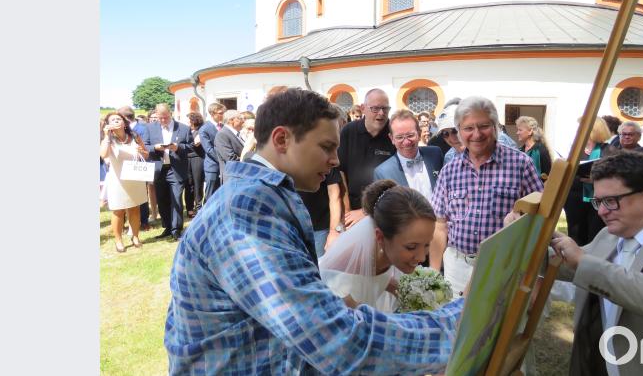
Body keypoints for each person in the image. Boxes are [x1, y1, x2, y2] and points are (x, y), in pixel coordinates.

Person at [164, 88, 465, 375]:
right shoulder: (246, 208)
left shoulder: (261, 198)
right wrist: (458, 322)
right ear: (282, 139)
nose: (335, 160)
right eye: (327, 147)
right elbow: (334, 339)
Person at [550, 151, 643, 375]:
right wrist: (533, 236)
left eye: (611, 201)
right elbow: (568, 261)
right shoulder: (609, 235)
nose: (602, 211)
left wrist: (583, 261)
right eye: (598, 201)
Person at [430, 96, 543, 298]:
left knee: (501, 328)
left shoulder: (521, 164)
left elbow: (541, 219)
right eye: (468, 128)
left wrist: (535, 275)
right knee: (457, 327)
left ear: (495, 126)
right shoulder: (449, 171)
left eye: (483, 126)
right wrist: (433, 273)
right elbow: (440, 226)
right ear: (459, 130)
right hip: (458, 267)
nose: (476, 134)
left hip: (505, 267)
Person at [320, 179, 435, 312]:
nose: (422, 257)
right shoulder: (344, 279)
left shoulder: (384, 252)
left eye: (427, 244)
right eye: (411, 247)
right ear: (380, 237)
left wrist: (416, 297)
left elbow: (380, 279)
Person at [337, 88, 396, 228]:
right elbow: (340, 173)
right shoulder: (348, 131)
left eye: (385, 109)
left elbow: (396, 180)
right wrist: (347, 212)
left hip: (384, 211)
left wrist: (366, 211)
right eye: (375, 109)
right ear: (363, 108)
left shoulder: (393, 134)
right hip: (352, 212)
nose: (381, 113)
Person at [100, 112, 149, 252]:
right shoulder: (108, 139)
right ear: (108, 124)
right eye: (113, 119)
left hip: (135, 177)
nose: (117, 121)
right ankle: (118, 240)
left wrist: (142, 151)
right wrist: (107, 135)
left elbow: (146, 154)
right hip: (118, 180)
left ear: (124, 121)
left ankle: (135, 236)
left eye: (119, 118)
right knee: (118, 211)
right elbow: (103, 154)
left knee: (135, 208)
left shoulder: (134, 136)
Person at [143, 103, 193, 240]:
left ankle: (176, 229)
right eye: (160, 118)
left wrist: (178, 147)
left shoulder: (183, 128)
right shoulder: (149, 128)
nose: (163, 120)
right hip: (159, 169)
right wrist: (155, 148)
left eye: (165, 117)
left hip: (176, 169)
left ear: (170, 114)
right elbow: (145, 146)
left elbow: (191, 146)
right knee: (162, 200)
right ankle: (168, 227)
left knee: (176, 198)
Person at [563, 117, 613, 247]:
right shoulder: (576, 149)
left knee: (595, 234)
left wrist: (596, 179)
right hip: (575, 199)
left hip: (597, 201)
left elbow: (616, 176)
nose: (579, 131)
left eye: (582, 127)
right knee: (575, 235)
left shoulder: (608, 150)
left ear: (594, 130)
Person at [373, 109, 443, 200]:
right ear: (392, 139)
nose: (406, 142)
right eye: (399, 137)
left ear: (419, 133)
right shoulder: (382, 172)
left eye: (410, 135)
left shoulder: (435, 154)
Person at [198, 102, 226, 203]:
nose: (223, 115)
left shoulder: (224, 126)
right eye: (220, 113)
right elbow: (209, 149)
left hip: (225, 167)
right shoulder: (204, 129)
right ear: (212, 113)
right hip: (213, 166)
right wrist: (222, 159)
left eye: (223, 112)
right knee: (210, 195)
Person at [515, 115, 553, 181]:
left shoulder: (541, 151)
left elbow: (548, 176)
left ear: (530, 131)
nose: (517, 133)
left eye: (520, 130)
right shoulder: (520, 150)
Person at [184, 112, 206, 218]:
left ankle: (198, 206)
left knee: (197, 182)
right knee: (188, 184)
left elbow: (196, 144)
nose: (186, 122)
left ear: (194, 120)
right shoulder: (185, 131)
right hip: (186, 158)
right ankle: (189, 207)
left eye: (188, 120)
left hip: (197, 158)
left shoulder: (200, 130)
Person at [214, 109, 245, 182]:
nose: (243, 121)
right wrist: (248, 159)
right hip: (232, 178)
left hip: (240, 176)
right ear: (231, 120)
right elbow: (230, 158)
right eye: (240, 119)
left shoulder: (238, 133)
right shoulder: (222, 134)